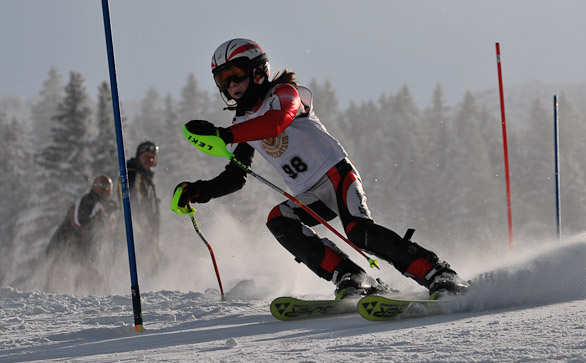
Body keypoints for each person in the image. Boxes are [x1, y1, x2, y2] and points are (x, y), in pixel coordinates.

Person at [174, 38, 469, 299]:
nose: (231, 86)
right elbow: (235, 177)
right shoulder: (242, 124)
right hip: (309, 193)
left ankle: (437, 273)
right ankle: (351, 276)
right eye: (222, 80)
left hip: (336, 176)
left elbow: (277, 121)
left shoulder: (285, 93)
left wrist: (225, 134)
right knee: (279, 219)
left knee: (358, 232)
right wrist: (198, 190)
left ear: (257, 70)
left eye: (235, 75)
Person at [46, 175, 119, 293]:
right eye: (102, 185)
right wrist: (95, 233)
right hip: (65, 250)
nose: (105, 189)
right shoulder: (88, 201)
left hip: (88, 255)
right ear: (93, 186)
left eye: (108, 186)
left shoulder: (109, 209)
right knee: (65, 286)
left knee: (94, 283)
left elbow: (110, 234)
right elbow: (79, 222)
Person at [126, 141, 161, 272]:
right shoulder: (133, 175)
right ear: (138, 157)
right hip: (137, 237)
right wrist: (146, 236)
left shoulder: (146, 178)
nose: (150, 160)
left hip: (147, 236)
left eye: (153, 157)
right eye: (146, 157)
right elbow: (132, 207)